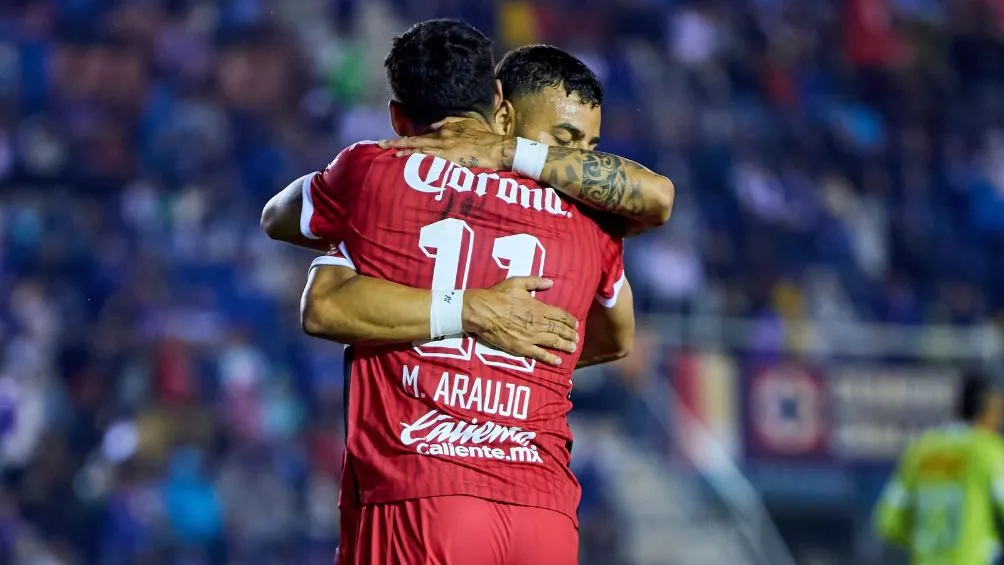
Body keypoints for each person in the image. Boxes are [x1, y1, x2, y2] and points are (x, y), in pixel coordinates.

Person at [285, 20, 670, 565]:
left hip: (422, 491)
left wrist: (459, 322)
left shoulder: (385, 172)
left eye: (590, 149)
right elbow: (614, 338)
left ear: (400, 118)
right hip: (544, 516)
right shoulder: (589, 217)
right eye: (569, 143)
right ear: (500, 107)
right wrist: (514, 350)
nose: (582, 162)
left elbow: (316, 291)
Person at [873, 371, 1004, 565]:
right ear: (988, 409)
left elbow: (887, 520)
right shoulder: (987, 451)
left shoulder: (921, 451)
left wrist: (923, 542)